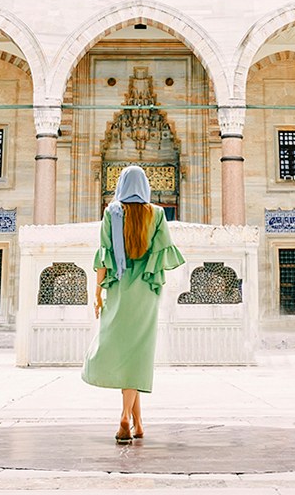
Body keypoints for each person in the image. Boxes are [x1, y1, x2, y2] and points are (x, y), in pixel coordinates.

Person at [81, 165, 185, 444]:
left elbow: (103, 256)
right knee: (137, 353)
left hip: (118, 289)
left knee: (126, 352)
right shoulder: (158, 214)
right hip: (145, 292)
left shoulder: (112, 212)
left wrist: (97, 293)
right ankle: (129, 420)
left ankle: (134, 421)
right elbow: (163, 252)